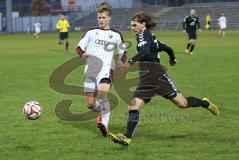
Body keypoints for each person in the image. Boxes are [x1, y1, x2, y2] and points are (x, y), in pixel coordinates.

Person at [109, 12, 219, 146]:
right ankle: (127, 137)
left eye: (134, 25)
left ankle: (205, 103)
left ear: (143, 24)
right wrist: (172, 59)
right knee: (133, 105)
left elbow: (146, 51)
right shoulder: (148, 37)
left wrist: (129, 62)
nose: (132, 28)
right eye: (131, 25)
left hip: (157, 76)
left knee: (182, 104)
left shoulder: (145, 35)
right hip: (146, 78)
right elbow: (167, 48)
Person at [76, 3, 127, 137]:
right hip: (90, 70)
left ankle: (104, 124)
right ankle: (103, 111)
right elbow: (79, 47)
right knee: (90, 104)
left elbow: (123, 50)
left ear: (109, 18)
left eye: (103, 17)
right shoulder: (91, 33)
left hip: (106, 69)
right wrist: (83, 54)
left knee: (103, 94)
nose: (101, 20)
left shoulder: (116, 35)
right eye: (99, 17)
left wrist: (122, 61)